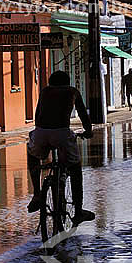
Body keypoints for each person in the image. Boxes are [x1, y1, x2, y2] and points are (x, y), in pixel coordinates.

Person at [26, 71, 94, 226]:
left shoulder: (44, 91)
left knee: (32, 154)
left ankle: (37, 194)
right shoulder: (72, 91)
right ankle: (78, 212)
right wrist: (88, 131)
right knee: (75, 168)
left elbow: (38, 114)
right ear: (67, 81)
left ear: (51, 82)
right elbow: (83, 114)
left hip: (41, 133)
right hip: (62, 133)